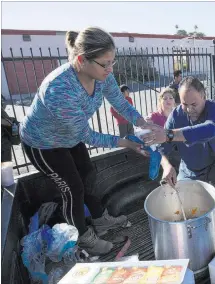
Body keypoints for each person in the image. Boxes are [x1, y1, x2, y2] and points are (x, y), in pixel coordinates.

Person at [19, 27, 152, 256]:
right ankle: (81, 238)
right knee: (72, 187)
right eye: (105, 64)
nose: (110, 70)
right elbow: (88, 136)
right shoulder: (59, 89)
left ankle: (100, 220)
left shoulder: (102, 76)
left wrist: (143, 122)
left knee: (88, 173)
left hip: (69, 136)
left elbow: (119, 103)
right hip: (43, 143)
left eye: (113, 62)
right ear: (82, 60)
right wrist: (128, 143)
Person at [142, 76, 215, 227]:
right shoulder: (176, 115)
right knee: (181, 205)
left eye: (193, 104)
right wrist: (167, 166)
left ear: (204, 96)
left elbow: (209, 129)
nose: (189, 109)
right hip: (189, 171)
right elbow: (162, 148)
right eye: (184, 104)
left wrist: (170, 134)